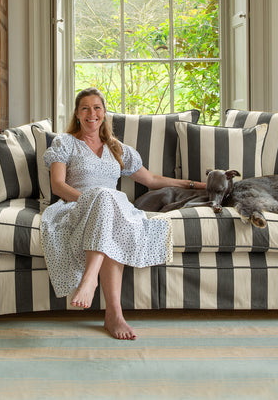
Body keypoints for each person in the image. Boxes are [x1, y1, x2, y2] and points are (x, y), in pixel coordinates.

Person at [40, 87, 206, 340]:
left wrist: (195, 184)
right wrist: (93, 200)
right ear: (76, 113)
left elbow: (151, 180)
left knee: (110, 205)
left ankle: (106, 303)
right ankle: (106, 303)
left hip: (114, 210)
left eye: (97, 107)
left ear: (104, 113)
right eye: (85, 108)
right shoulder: (66, 143)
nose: (91, 113)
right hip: (76, 207)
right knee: (105, 198)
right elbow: (58, 186)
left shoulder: (116, 148)